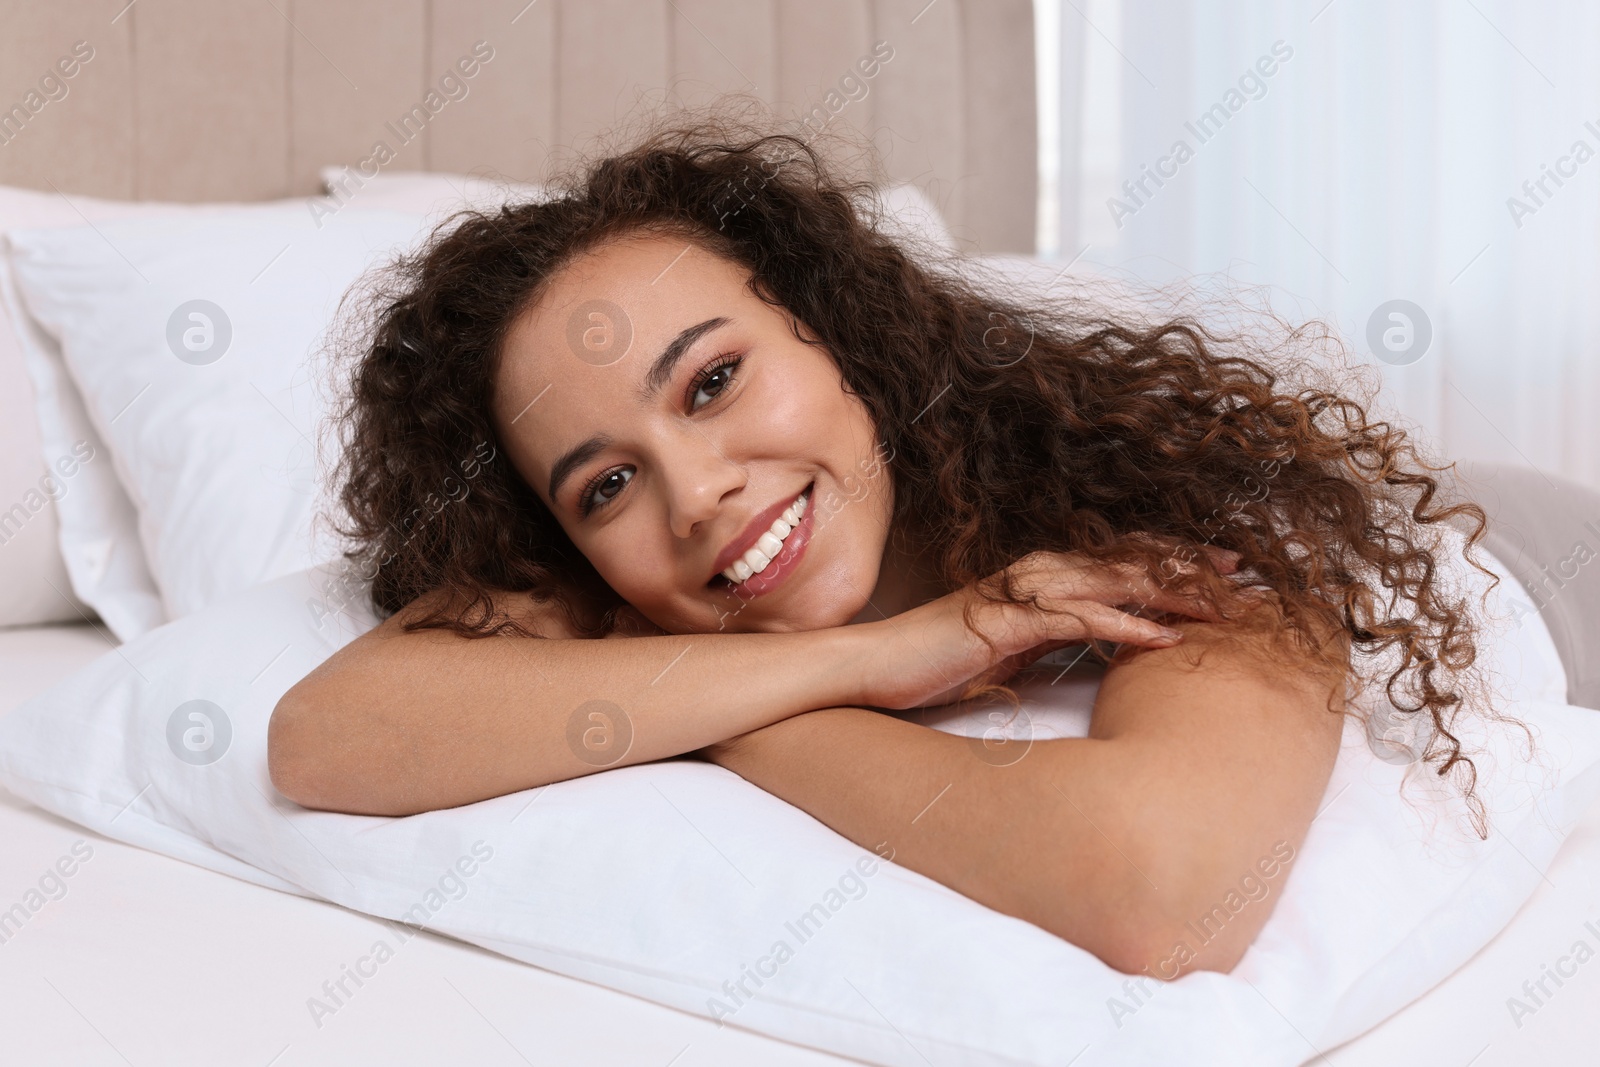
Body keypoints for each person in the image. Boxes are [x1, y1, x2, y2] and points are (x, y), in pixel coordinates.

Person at [267, 118, 1491, 979]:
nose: (692, 496)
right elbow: (322, 735)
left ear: (842, 338)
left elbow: (1159, 892)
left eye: (713, 379)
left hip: (1523, 545)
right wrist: (884, 655)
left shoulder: (1165, 511)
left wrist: (717, 711)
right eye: (607, 483)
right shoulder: (631, 587)